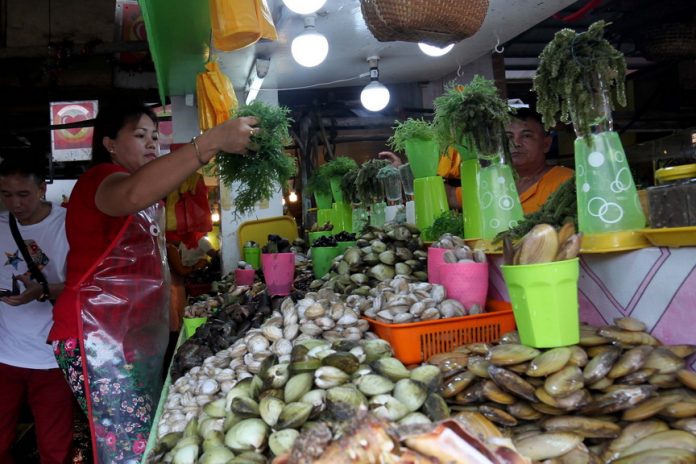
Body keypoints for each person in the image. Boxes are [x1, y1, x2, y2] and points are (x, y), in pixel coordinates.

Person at [48, 99, 257, 463]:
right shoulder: (100, 181)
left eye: (155, 136)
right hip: (96, 337)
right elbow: (129, 194)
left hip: (129, 338)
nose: (151, 143)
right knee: (127, 447)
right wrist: (209, 142)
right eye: (140, 135)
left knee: (142, 438)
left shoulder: (148, 198)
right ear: (110, 144)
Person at [0, 155, 74, 463]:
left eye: (23, 194)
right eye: (6, 194)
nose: (15, 203)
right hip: (4, 356)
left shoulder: (68, 224)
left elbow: (85, 287)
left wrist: (41, 291)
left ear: (42, 189)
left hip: (51, 358)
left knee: (54, 447)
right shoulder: (1, 225)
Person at [505, 108, 574, 214]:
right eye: (508, 137)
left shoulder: (566, 180)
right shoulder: (494, 183)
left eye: (526, 135)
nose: (516, 143)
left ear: (546, 144)